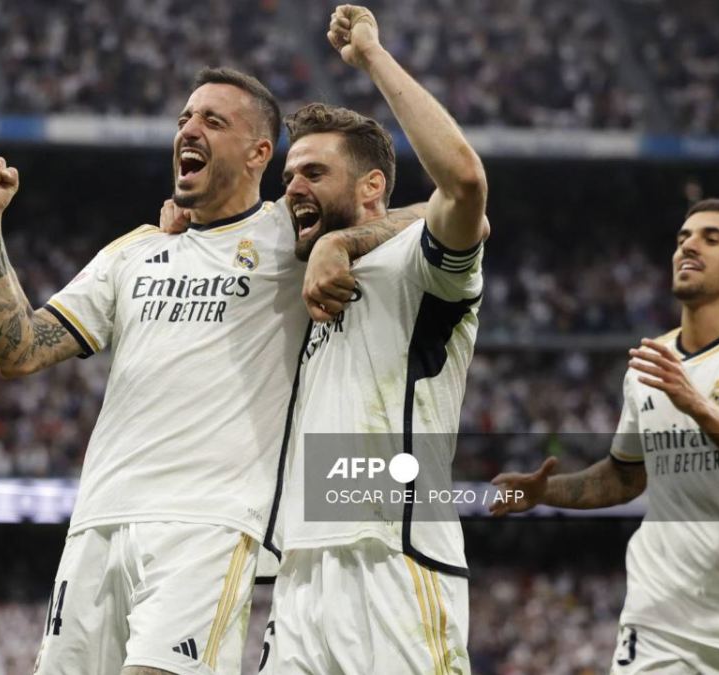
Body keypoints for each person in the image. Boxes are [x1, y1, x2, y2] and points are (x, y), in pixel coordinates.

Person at [0, 68, 420, 675]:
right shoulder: (134, 251)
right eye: (184, 118)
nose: (189, 129)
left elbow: (440, 215)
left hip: (207, 525)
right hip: (97, 520)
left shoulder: (290, 231)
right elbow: (18, 350)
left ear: (260, 153)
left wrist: (340, 246)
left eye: (212, 120)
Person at [490, 199, 719, 673]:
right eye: (683, 237)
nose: (688, 245)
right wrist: (547, 491)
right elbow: (626, 477)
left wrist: (700, 408)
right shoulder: (651, 362)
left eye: (711, 238)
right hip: (659, 621)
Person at [259, 6, 489, 672]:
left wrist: (371, 58)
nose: (292, 188)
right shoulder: (299, 281)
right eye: (288, 176)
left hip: (396, 557)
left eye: (312, 174)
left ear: (372, 188)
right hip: (302, 568)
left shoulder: (419, 264)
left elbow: (467, 186)